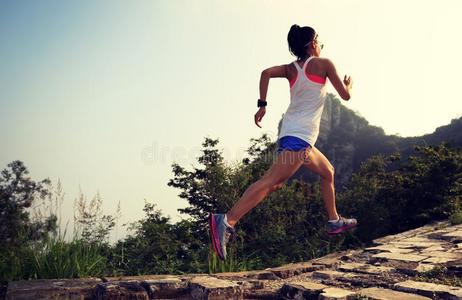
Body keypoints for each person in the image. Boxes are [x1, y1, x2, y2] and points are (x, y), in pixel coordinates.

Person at [209, 24, 357, 261]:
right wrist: (348, 85)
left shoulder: (290, 69)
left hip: (295, 135)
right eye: (319, 41)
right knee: (271, 181)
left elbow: (265, 72)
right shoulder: (325, 64)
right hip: (299, 138)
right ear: (312, 43)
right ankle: (226, 221)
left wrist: (262, 105)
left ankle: (333, 221)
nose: (320, 45)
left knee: (327, 171)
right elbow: (346, 96)